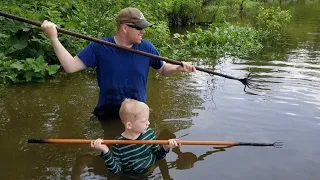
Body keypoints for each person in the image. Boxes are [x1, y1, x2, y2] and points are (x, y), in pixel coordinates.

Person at [41, 7, 196, 120]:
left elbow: (162, 69)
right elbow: (70, 66)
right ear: (124, 28)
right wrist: (54, 38)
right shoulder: (99, 47)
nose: (143, 31)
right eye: (139, 28)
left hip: (137, 116)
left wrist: (177, 68)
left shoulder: (146, 47)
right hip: (107, 114)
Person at [91, 98, 180, 175]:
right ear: (129, 125)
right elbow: (116, 170)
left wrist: (165, 147)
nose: (148, 123)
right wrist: (105, 150)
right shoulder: (118, 144)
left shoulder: (149, 133)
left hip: (151, 171)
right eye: (144, 121)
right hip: (131, 177)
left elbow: (158, 156)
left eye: (148, 120)